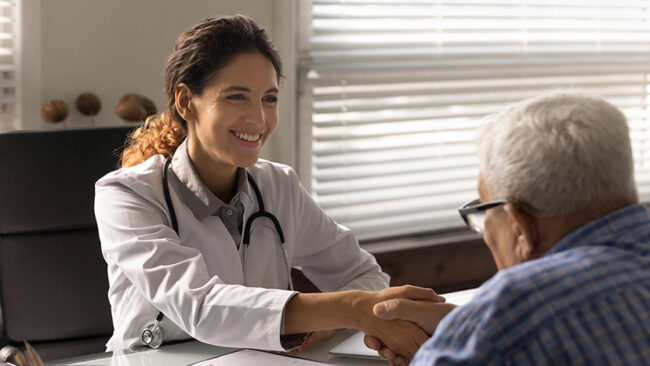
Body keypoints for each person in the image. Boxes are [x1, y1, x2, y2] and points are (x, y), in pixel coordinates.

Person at [94, 14, 440, 357]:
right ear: (186, 102)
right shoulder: (127, 195)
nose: (258, 119)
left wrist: (329, 320)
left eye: (269, 99)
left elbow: (363, 274)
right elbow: (200, 305)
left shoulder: (279, 185)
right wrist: (350, 307)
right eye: (236, 97)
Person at [365, 93, 650, 365]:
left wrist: (470, 336)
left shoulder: (513, 307)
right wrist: (462, 327)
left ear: (520, 224)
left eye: (484, 210)